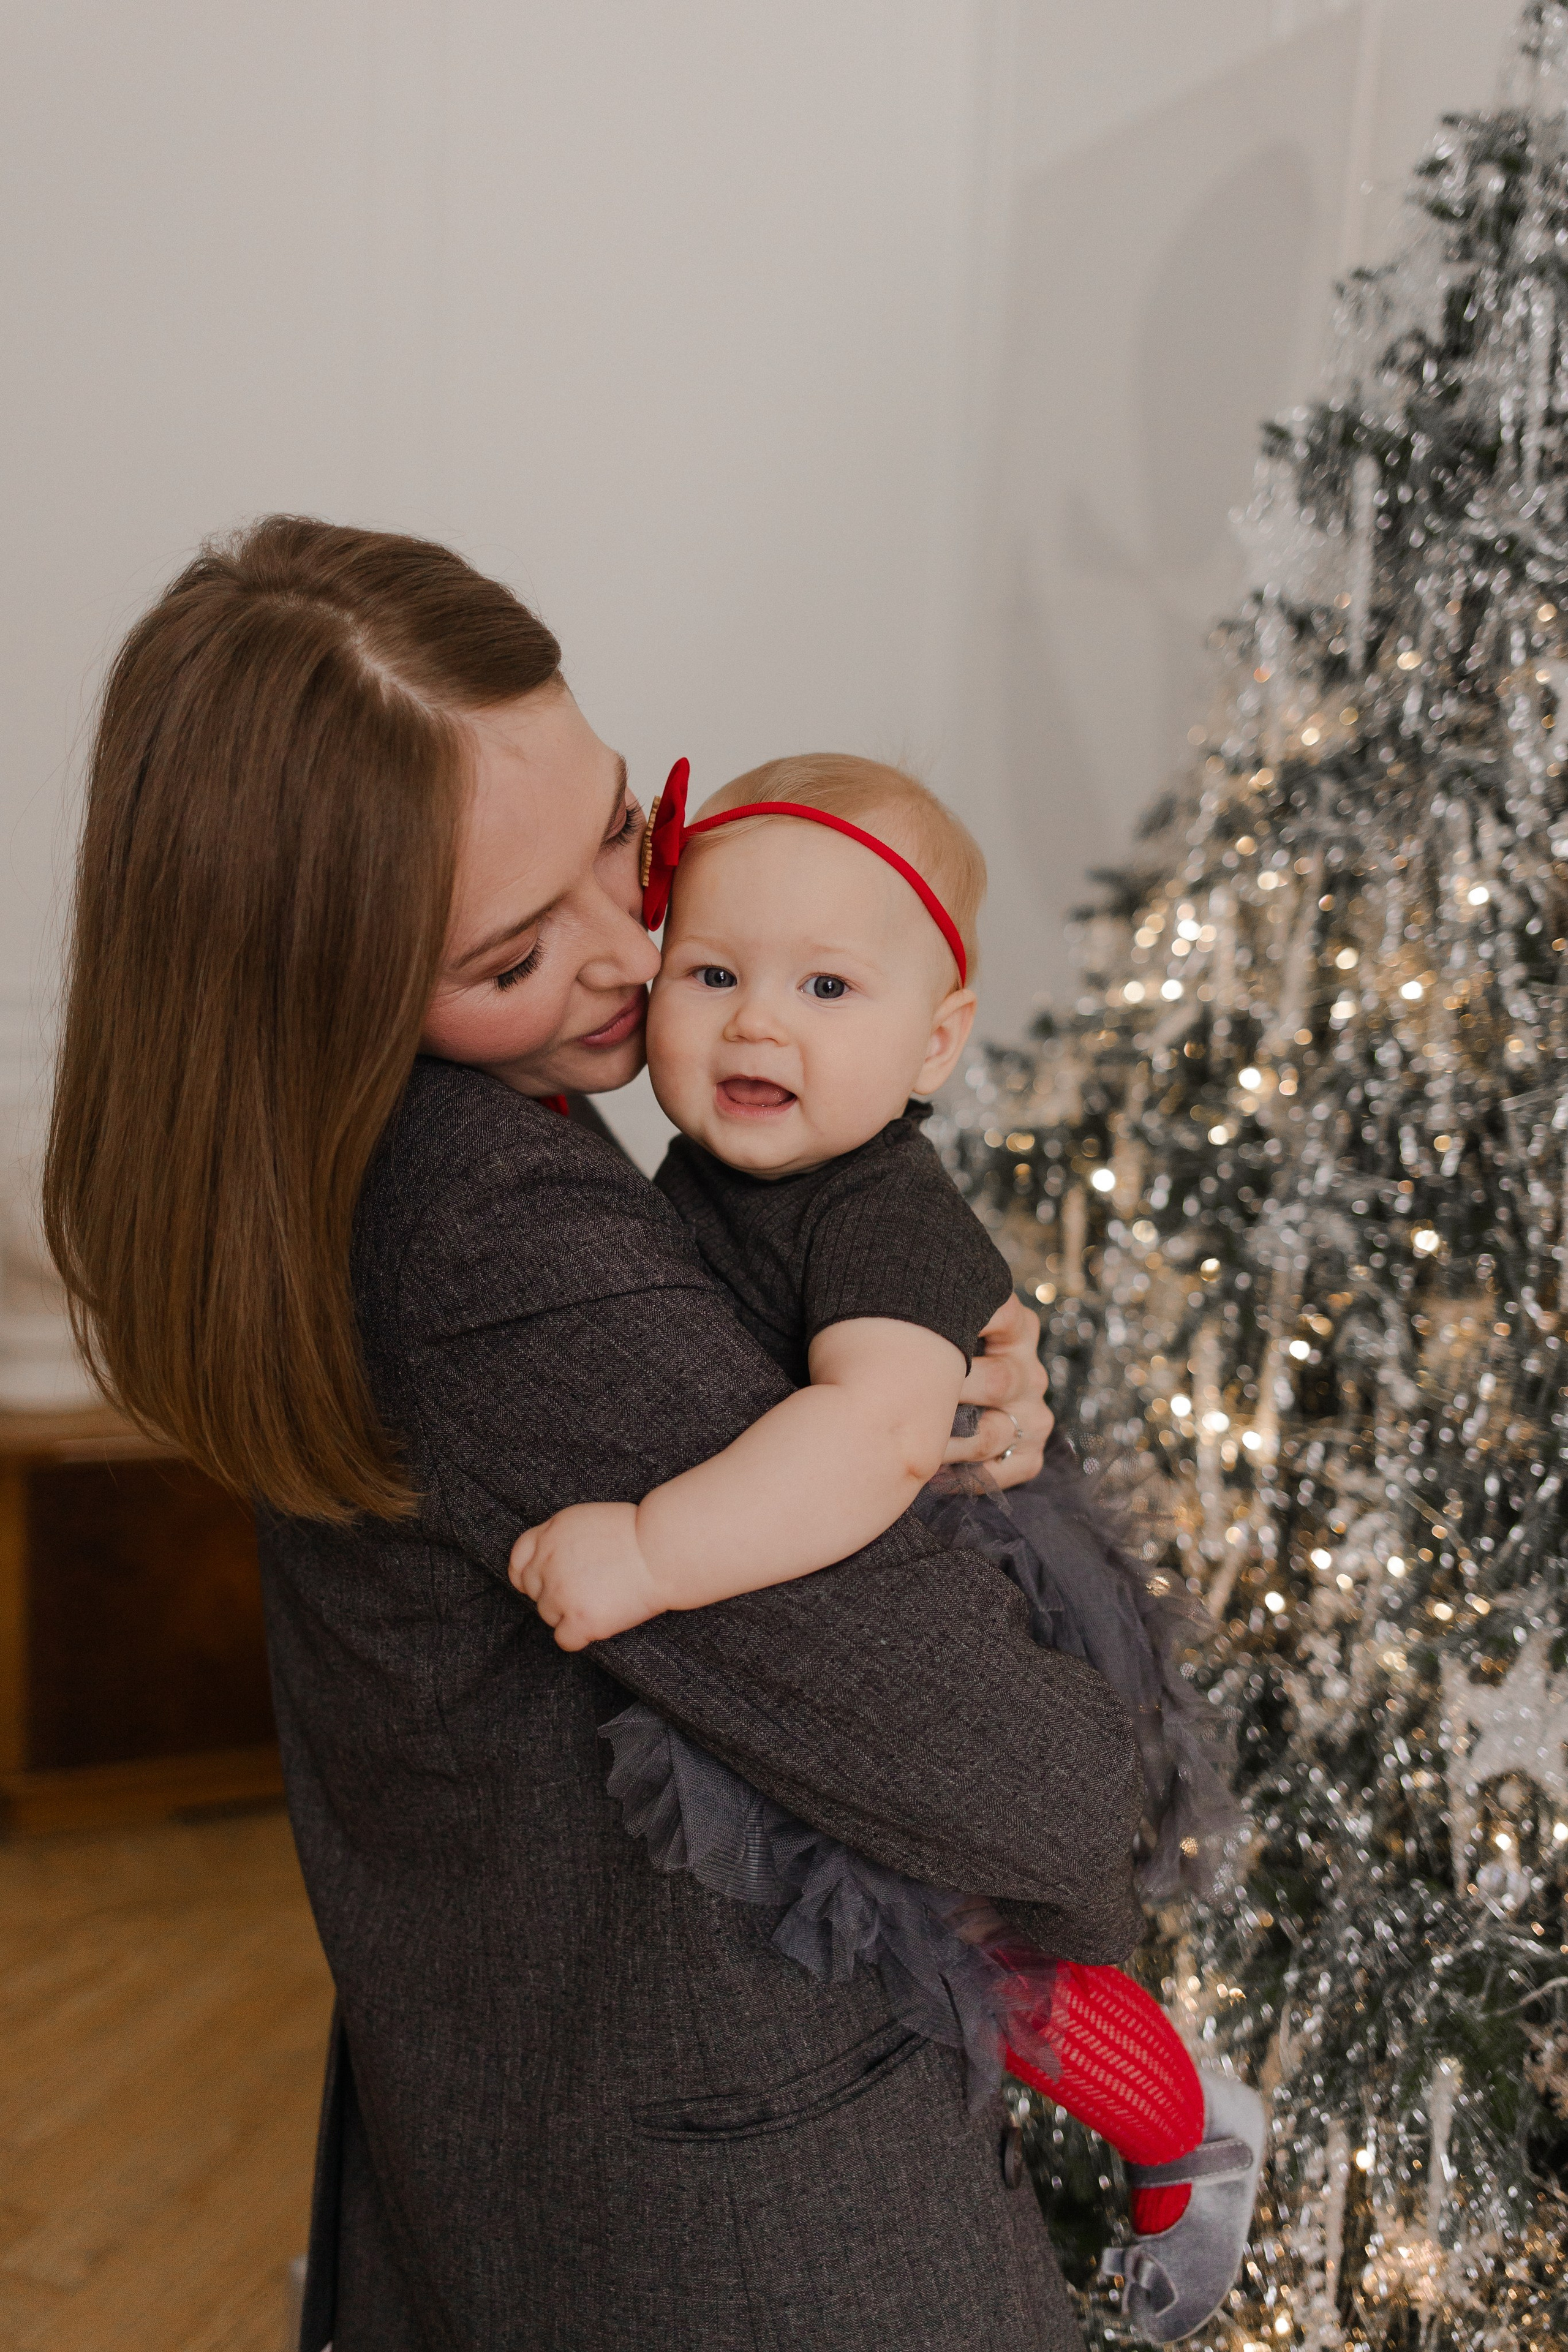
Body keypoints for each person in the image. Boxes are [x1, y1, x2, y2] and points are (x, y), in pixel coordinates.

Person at [43, 516, 1147, 2352]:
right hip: (745, 2225)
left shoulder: (384, 1148)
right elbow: (1035, 1791)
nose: (642, 945)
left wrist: (926, 1397)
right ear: (330, 995)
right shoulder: (491, 1242)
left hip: (533, 2139)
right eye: (510, 949)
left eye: (630, 833)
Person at [510, 753, 1263, 2346]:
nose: (757, 1022)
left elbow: (879, 1437)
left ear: (936, 1039)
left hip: (947, 1598)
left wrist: (651, 1549)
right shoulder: (705, 1167)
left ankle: (1184, 2123)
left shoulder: (882, 1212)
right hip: (813, 1591)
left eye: (827, 984)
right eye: (712, 973)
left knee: (971, 1947)